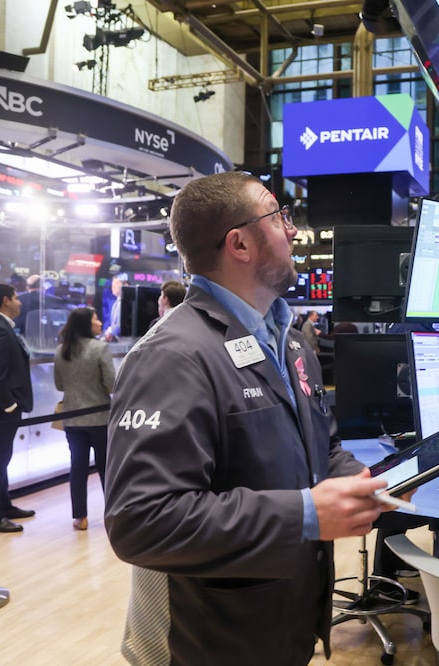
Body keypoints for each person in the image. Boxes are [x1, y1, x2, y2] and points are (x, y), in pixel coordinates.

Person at [104, 171, 399, 665]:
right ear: (239, 244)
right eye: (279, 216)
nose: (294, 230)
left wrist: (369, 481)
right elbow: (141, 520)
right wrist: (305, 513)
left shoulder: (291, 343)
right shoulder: (173, 355)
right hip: (213, 640)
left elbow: (319, 450)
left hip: (286, 621)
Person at [0, 283, 36, 533]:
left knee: (0, 456)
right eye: (15, 298)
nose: (20, 302)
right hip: (2, 409)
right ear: (5, 301)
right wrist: (9, 405)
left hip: (0, 408)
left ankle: (3, 504)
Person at [54, 307, 115, 531]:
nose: (99, 322)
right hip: (100, 416)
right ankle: (113, 513)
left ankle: (80, 517)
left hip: (72, 418)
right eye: (96, 319)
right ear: (87, 324)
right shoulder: (100, 348)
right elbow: (111, 383)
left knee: (77, 467)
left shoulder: (61, 350)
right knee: (106, 466)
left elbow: (59, 385)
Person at [103, 275, 126, 341]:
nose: (113, 287)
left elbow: (121, 324)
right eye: (112, 284)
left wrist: (110, 331)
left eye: (116, 284)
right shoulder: (115, 304)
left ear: (125, 285)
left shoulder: (128, 304)